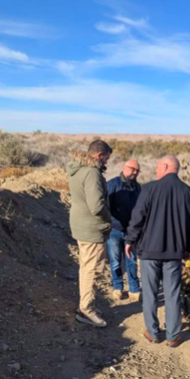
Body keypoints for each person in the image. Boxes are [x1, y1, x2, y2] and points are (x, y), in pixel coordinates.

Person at [125, 155, 190, 348]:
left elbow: (137, 216)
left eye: (158, 167)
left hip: (149, 251)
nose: (156, 171)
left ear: (165, 166)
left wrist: (130, 240)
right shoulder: (188, 192)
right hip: (174, 253)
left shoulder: (149, 188)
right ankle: (174, 335)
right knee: (173, 293)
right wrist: (189, 248)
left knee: (150, 292)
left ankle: (153, 332)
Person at [66, 139, 113, 328]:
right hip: (92, 227)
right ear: (99, 155)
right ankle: (86, 309)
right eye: (107, 159)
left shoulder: (77, 169)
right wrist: (109, 218)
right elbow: (97, 206)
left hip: (81, 224)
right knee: (91, 270)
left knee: (86, 267)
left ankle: (86, 305)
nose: (107, 163)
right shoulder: (92, 172)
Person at [106, 160, 142, 301]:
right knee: (115, 260)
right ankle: (118, 288)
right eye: (132, 169)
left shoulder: (138, 188)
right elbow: (103, 205)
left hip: (131, 232)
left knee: (131, 260)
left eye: (137, 171)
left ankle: (134, 289)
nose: (134, 173)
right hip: (114, 230)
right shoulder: (112, 185)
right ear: (124, 167)